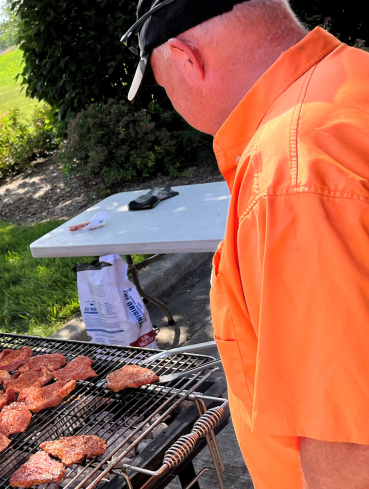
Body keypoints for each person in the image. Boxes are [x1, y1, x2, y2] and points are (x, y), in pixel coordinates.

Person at [123, 0, 369, 487]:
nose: (170, 100)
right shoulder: (353, 78)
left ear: (187, 58)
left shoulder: (288, 174)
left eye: (163, 82)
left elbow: (347, 438)